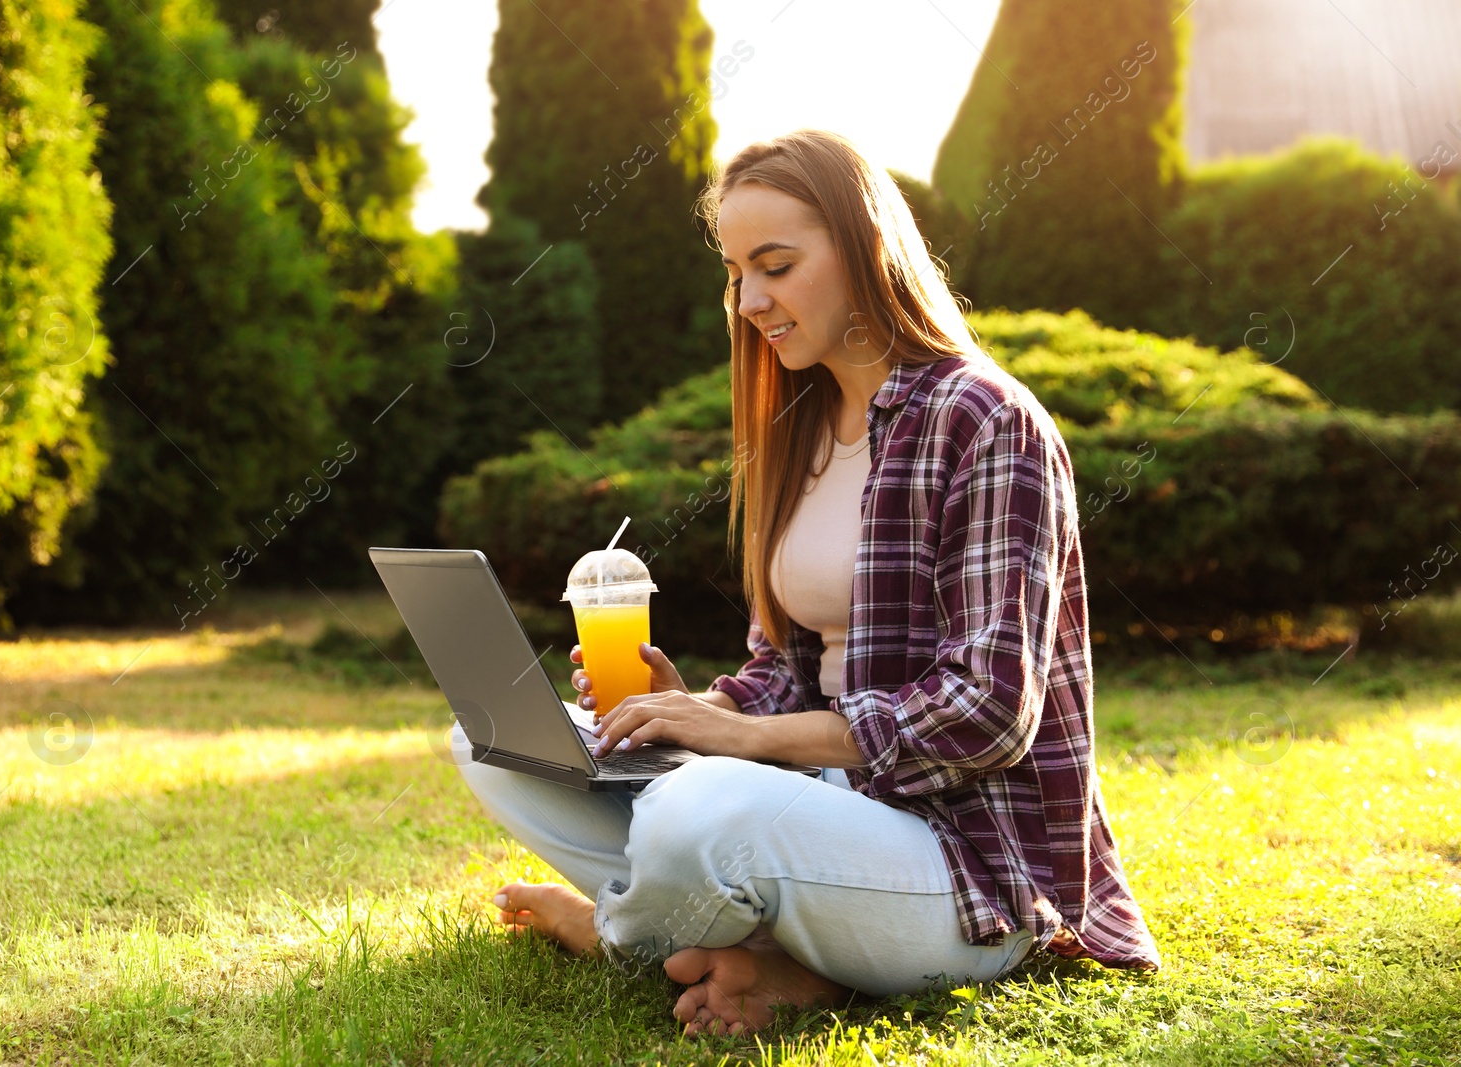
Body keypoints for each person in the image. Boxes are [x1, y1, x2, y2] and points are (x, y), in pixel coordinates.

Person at [452, 128, 1160, 1038]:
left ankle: (621, 927)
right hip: (826, 813)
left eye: (776, 265)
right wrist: (693, 708)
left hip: (968, 866)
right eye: (738, 272)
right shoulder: (802, 425)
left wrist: (741, 741)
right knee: (497, 739)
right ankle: (775, 960)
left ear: (864, 247)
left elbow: (987, 711)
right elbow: (784, 667)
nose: (750, 300)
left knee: (699, 811)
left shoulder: (984, 420)